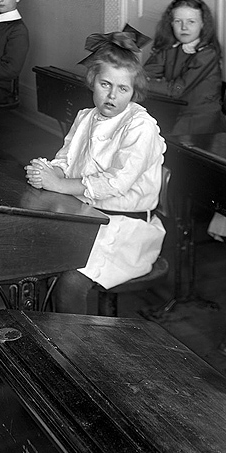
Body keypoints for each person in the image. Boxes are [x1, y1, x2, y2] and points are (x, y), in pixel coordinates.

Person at [26, 33, 166, 314]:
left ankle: (73, 355)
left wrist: (60, 184)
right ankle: (47, 341)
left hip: (126, 229)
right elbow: (65, 161)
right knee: (35, 260)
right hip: (86, 219)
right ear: (92, 81)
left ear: (133, 91)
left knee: (69, 281)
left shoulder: (140, 126)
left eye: (123, 89)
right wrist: (46, 171)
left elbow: (117, 182)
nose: (112, 96)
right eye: (105, 85)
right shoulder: (85, 117)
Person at [144, 0, 226, 135]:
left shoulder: (207, 54)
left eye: (191, 22)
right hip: (175, 110)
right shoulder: (171, 47)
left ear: (203, 24)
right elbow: (146, 72)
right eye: (178, 21)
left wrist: (138, 81)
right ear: (170, 23)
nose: (184, 27)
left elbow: (176, 89)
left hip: (200, 119)